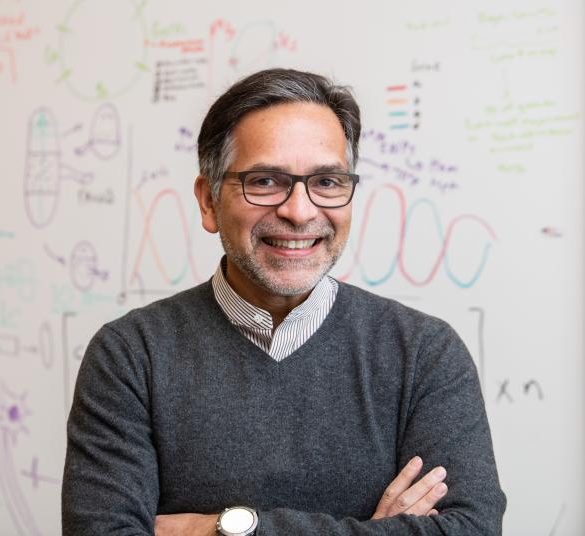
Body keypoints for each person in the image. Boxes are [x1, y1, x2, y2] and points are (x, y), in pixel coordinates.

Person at [62, 68, 506, 535]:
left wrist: (227, 529)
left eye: (328, 182)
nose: (299, 210)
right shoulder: (130, 354)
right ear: (208, 202)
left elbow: (471, 530)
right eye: (266, 181)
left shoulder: (423, 352)